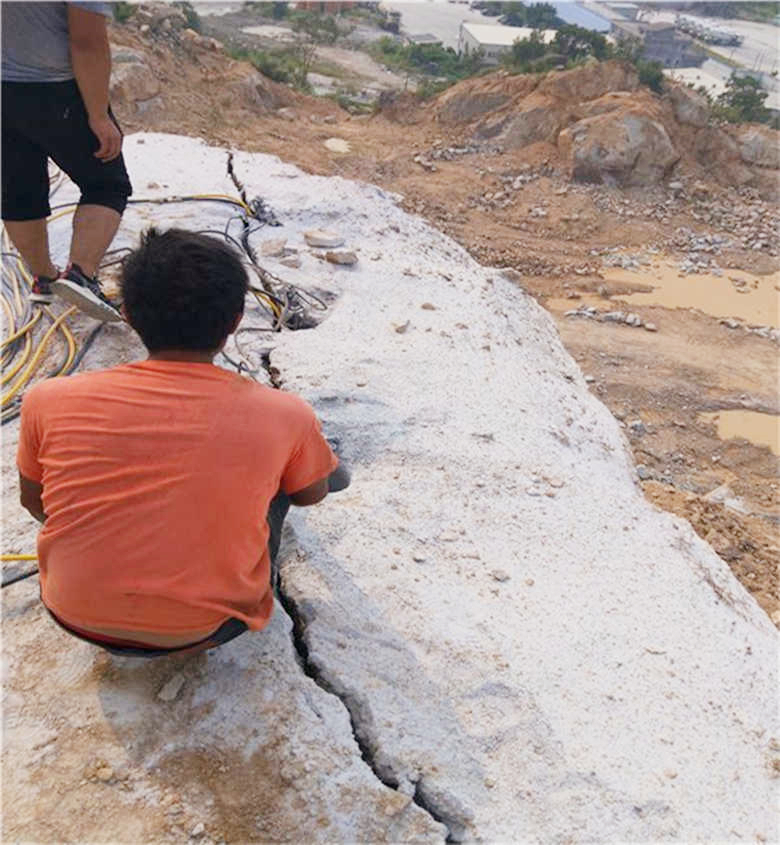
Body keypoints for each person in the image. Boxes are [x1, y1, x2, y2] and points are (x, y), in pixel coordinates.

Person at [17, 228, 349, 657]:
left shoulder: (48, 399)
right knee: (283, 478)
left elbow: (36, 502)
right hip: (206, 628)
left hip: (72, 613)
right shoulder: (284, 414)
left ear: (129, 315)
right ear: (233, 323)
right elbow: (309, 496)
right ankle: (326, 457)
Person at [1, 1, 132, 322]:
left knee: (20, 191)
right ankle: (80, 275)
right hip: (56, 89)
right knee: (106, 184)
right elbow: (87, 42)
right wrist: (99, 116)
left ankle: (44, 278)